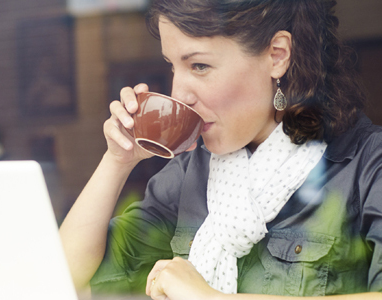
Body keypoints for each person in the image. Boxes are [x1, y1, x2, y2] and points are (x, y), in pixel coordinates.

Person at [59, 0, 382, 299]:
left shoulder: (366, 164)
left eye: (199, 66)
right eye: (173, 67)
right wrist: (117, 161)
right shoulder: (189, 174)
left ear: (277, 55)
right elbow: (64, 279)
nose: (178, 93)